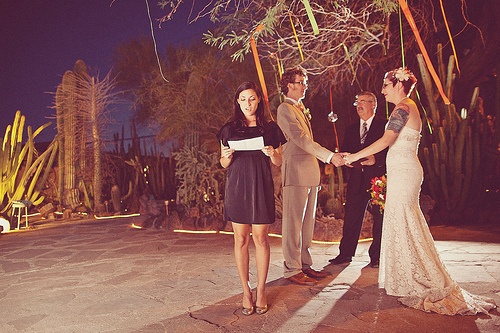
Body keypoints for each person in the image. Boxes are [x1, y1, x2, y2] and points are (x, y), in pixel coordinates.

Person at [343, 67, 496, 315]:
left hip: (404, 173)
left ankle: (422, 277)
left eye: (385, 85)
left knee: (405, 221)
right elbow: (394, 145)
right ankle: (409, 275)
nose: (382, 90)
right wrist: (371, 161)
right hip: (401, 169)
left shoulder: (403, 107)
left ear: (398, 85)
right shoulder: (406, 106)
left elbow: (386, 140)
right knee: (403, 222)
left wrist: (353, 156)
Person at [217, 81, 286, 316]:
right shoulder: (228, 130)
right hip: (237, 186)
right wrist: (225, 156)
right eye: (243, 99)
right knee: (240, 240)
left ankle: (262, 291)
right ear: (237, 101)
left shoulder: (270, 128)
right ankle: (246, 291)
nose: (248, 103)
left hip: (261, 185)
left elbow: (278, 161)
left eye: (252, 99)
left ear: (258, 101)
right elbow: (224, 163)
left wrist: (273, 153)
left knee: (261, 239)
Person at [277, 68, 344, 286]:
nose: (305, 86)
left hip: (309, 173)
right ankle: (292, 269)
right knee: (293, 224)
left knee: (307, 225)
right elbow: (302, 140)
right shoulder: (284, 109)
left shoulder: (301, 108)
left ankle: (305, 264)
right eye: (301, 82)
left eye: (305, 82)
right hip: (295, 172)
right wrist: (329, 156)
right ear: (289, 85)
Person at [330, 92, 387, 268]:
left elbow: (389, 150)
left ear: (373, 105)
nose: (358, 105)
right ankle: (345, 254)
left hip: (378, 179)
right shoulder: (350, 129)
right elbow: (347, 152)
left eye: (362, 101)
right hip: (356, 179)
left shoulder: (384, 126)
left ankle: (376, 256)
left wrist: (376, 159)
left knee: (380, 218)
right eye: (357, 101)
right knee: (352, 217)